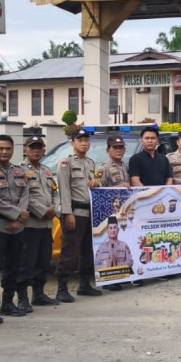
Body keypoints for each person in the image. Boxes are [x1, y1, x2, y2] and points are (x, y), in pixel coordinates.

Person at [0, 135, 31, 319]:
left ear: (13, 150)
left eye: (8, 149)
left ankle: (7, 304)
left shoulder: (19, 171)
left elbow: (25, 193)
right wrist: (16, 214)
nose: (4, 152)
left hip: (18, 227)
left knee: (13, 267)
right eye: (1, 148)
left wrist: (20, 217)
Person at [56, 127, 104, 301]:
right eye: (80, 140)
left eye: (86, 140)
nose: (84, 143)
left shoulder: (90, 163)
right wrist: (67, 213)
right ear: (72, 143)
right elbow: (64, 190)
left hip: (89, 212)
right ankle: (62, 288)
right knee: (70, 251)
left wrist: (96, 183)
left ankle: (84, 284)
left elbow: (92, 186)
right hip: (75, 212)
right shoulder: (65, 163)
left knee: (88, 250)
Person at [23, 135, 61, 308]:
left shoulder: (46, 170)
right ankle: (22, 297)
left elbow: (55, 193)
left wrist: (55, 209)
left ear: (44, 150)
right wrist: (43, 211)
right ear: (25, 150)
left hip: (46, 224)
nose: (36, 151)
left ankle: (38, 294)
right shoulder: (19, 171)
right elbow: (24, 195)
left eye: (39, 148)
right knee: (26, 262)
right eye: (32, 147)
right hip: (30, 223)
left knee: (43, 261)